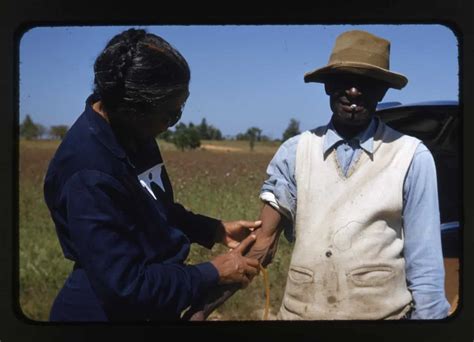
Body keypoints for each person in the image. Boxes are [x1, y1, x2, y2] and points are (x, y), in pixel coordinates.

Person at [187, 29, 451, 320]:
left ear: (382, 91)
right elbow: (263, 243)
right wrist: (201, 310)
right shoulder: (294, 152)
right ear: (327, 86)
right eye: (344, 81)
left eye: (366, 82)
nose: (353, 91)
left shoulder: (411, 156)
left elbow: (425, 265)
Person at [43, 28, 261, 321]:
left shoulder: (131, 130)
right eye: (170, 114)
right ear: (134, 109)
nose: (173, 122)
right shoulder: (88, 173)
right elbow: (126, 285)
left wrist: (213, 229)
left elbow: (154, 210)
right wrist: (212, 272)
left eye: (180, 110)